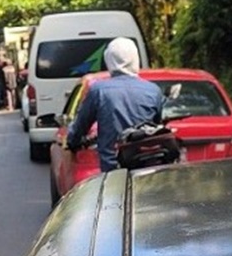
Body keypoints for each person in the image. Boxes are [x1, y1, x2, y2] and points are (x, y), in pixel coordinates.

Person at [65, 37, 164, 172]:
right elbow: (157, 127)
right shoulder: (153, 91)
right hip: (145, 167)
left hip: (112, 168)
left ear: (109, 60)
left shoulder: (98, 91)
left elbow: (80, 126)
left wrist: (72, 141)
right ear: (135, 58)